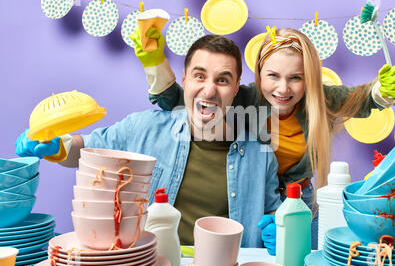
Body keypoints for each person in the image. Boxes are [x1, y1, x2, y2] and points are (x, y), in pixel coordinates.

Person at [129, 27, 395, 253]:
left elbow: (359, 100)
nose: (283, 88)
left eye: (296, 78)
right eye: (273, 75)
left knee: (301, 262)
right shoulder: (244, 98)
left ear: (308, 79)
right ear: (258, 73)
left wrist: (384, 90)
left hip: (302, 202)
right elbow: (180, 100)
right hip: (256, 199)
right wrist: (156, 65)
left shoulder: (319, 99)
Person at [15, 34, 282, 248]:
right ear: (185, 80)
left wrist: (279, 228)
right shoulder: (143, 127)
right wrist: (57, 147)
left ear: (236, 88)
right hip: (150, 264)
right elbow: (85, 149)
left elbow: (274, 212)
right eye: (199, 76)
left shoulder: (261, 153)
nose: (209, 90)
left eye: (222, 80)